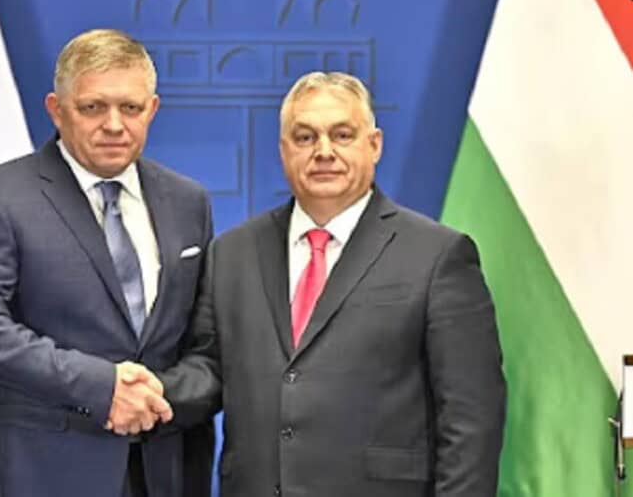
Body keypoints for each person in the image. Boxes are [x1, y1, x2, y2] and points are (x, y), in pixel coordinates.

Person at [155, 71, 507, 496]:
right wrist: (147, 394)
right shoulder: (232, 253)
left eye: (342, 135)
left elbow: (471, 417)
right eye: (305, 137)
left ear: (374, 145)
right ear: (284, 150)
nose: (323, 151)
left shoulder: (438, 256)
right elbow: (210, 369)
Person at [0, 29, 214, 497]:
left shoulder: (189, 202)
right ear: (56, 109)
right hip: (38, 474)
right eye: (93, 107)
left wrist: (158, 398)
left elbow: (206, 341)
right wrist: (104, 387)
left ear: (152, 109)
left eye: (130, 107)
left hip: (163, 471)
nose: (114, 124)